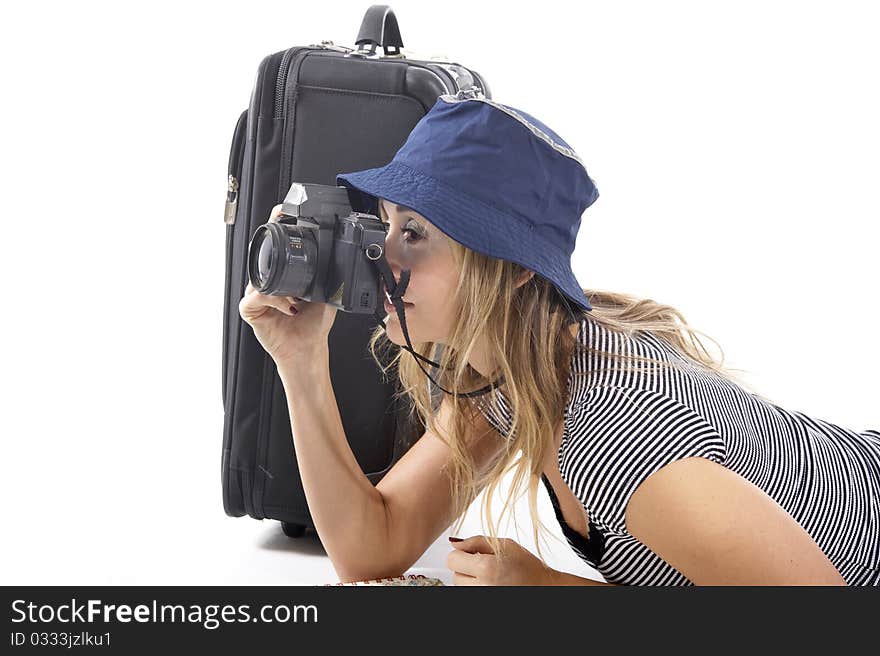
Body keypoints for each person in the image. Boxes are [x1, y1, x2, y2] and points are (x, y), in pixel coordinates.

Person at [239, 94, 880, 586]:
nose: (383, 257)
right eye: (388, 226)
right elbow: (371, 548)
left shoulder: (629, 437)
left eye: (417, 234)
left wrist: (546, 587)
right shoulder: (512, 370)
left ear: (514, 269)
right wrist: (301, 362)